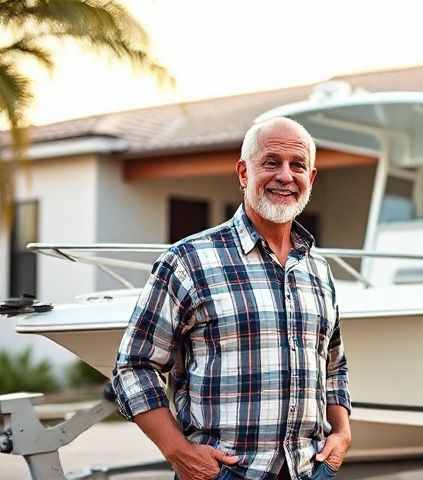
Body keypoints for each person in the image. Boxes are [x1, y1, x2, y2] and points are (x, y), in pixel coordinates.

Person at [112, 117, 352, 480]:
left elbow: (334, 367)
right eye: (271, 162)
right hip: (223, 474)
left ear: (311, 178)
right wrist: (180, 453)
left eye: (297, 165)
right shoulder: (188, 261)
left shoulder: (319, 270)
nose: (286, 176)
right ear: (243, 172)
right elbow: (134, 367)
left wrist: (343, 434)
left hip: (311, 471)